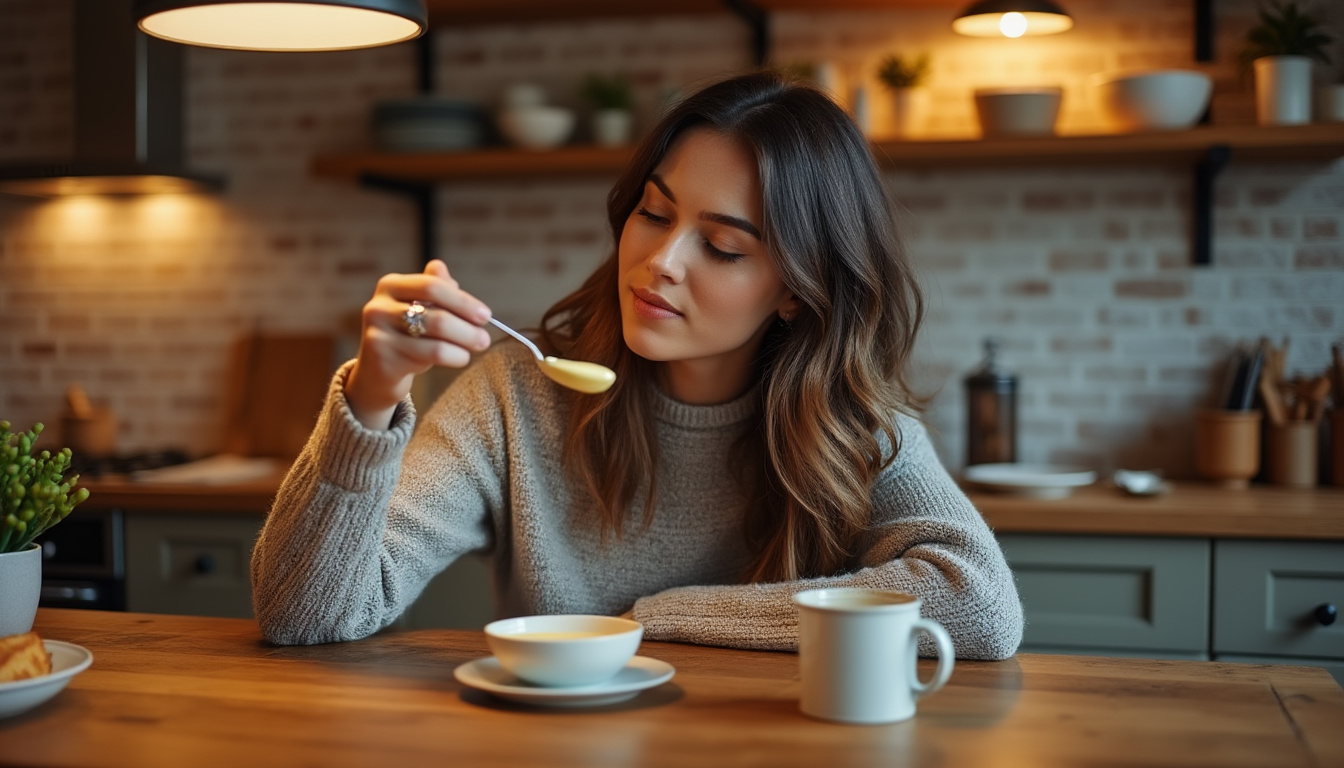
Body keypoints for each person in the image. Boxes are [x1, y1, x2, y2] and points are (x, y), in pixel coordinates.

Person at [251, 70, 1023, 660]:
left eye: (720, 247)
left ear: (795, 290)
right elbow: (304, 613)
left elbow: (978, 605)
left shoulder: (854, 425)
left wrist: (662, 618)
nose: (658, 261)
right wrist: (373, 395)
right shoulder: (518, 394)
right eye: (653, 214)